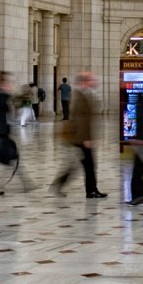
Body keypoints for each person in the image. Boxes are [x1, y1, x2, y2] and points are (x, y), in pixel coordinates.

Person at [52, 71, 106, 199]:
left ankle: (90, 189)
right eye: (90, 79)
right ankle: (90, 191)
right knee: (88, 165)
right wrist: (86, 139)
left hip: (82, 138)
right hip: (81, 139)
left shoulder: (85, 94)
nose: (94, 81)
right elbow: (80, 120)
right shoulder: (80, 96)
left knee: (82, 165)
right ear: (84, 82)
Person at [0, 73, 30, 195]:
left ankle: (26, 182)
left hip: (2, 132)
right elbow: (8, 103)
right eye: (8, 83)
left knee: (12, 155)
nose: (10, 85)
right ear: (2, 83)